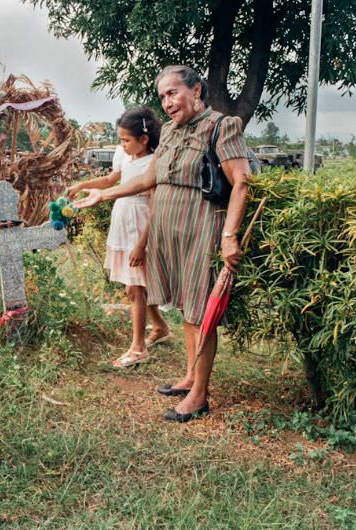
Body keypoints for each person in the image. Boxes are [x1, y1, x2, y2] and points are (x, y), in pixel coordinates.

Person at [74, 65, 251, 423]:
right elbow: (149, 177)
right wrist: (104, 195)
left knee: (201, 313)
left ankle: (199, 395)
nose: (167, 102)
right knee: (187, 309)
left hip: (202, 230)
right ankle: (190, 376)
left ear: (196, 89)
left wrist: (230, 236)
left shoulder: (221, 126)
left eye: (173, 92)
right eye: (162, 97)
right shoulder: (170, 131)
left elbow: (242, 182)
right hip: (170, 233)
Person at [67, 108, 171, 368]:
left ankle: (138, 348)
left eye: (126, 140)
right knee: (133, 286)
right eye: (121, 140)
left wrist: (142, 244)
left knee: (135, 288)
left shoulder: (154, 163)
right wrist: (83, 186)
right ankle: (160, 327)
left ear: (144, 139)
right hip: (122, 224)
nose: (122, 145)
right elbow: (113, 179)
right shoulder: (125, 158)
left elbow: (155, 207)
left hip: (139, 226)